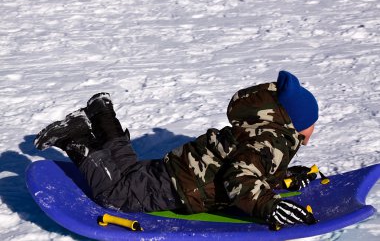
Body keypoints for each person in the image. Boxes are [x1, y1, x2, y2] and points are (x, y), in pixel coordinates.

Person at [34, 71, 318, 229]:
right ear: (299, 125)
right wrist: (269, 206)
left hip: (180, 169)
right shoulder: (276, 142)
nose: (314, 129)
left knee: (130, 171)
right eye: (312, 123)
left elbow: (251, 164)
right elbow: (241, 175)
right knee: (116, 195)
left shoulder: (261, 128)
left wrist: (281, 178)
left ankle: (101, 113)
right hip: (180, 187)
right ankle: (75, 138)